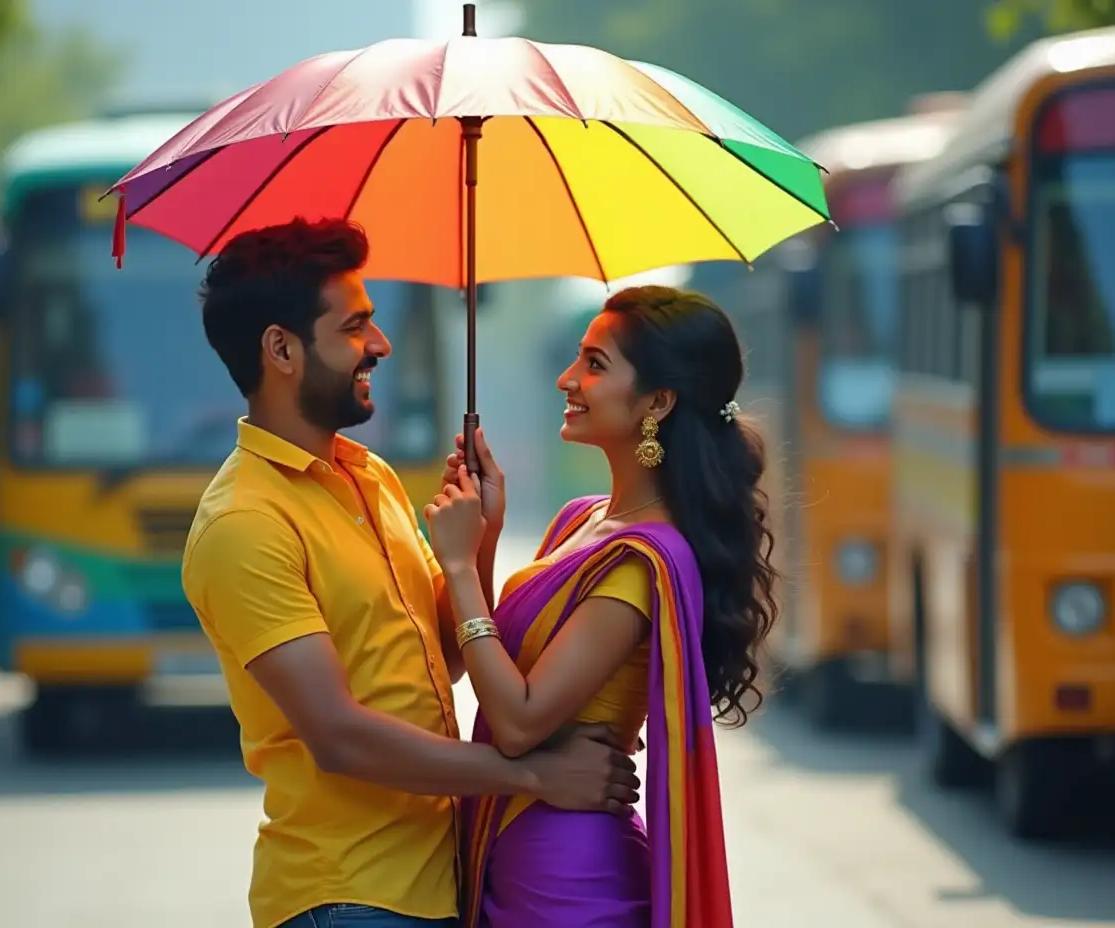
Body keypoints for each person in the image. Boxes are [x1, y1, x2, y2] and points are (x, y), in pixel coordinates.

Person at [180, 217, 640, 928]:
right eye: (355, 326)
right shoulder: (246, 523)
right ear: (281, 349)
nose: (380, 345)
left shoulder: (371, 478)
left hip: (435, 882)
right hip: (347, 896)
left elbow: (447, 658)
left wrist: (479, 542)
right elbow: (338, 735)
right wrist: (534, 776)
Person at [424, 285, 781, 928]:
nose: (568, 378)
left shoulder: (642, 562)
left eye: (595, 364)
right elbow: (490, 661)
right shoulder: (580, 521)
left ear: (657, 402)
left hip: (568, 881)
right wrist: (483, 541)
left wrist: (455, 565)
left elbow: (520, 721)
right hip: (524, 854)